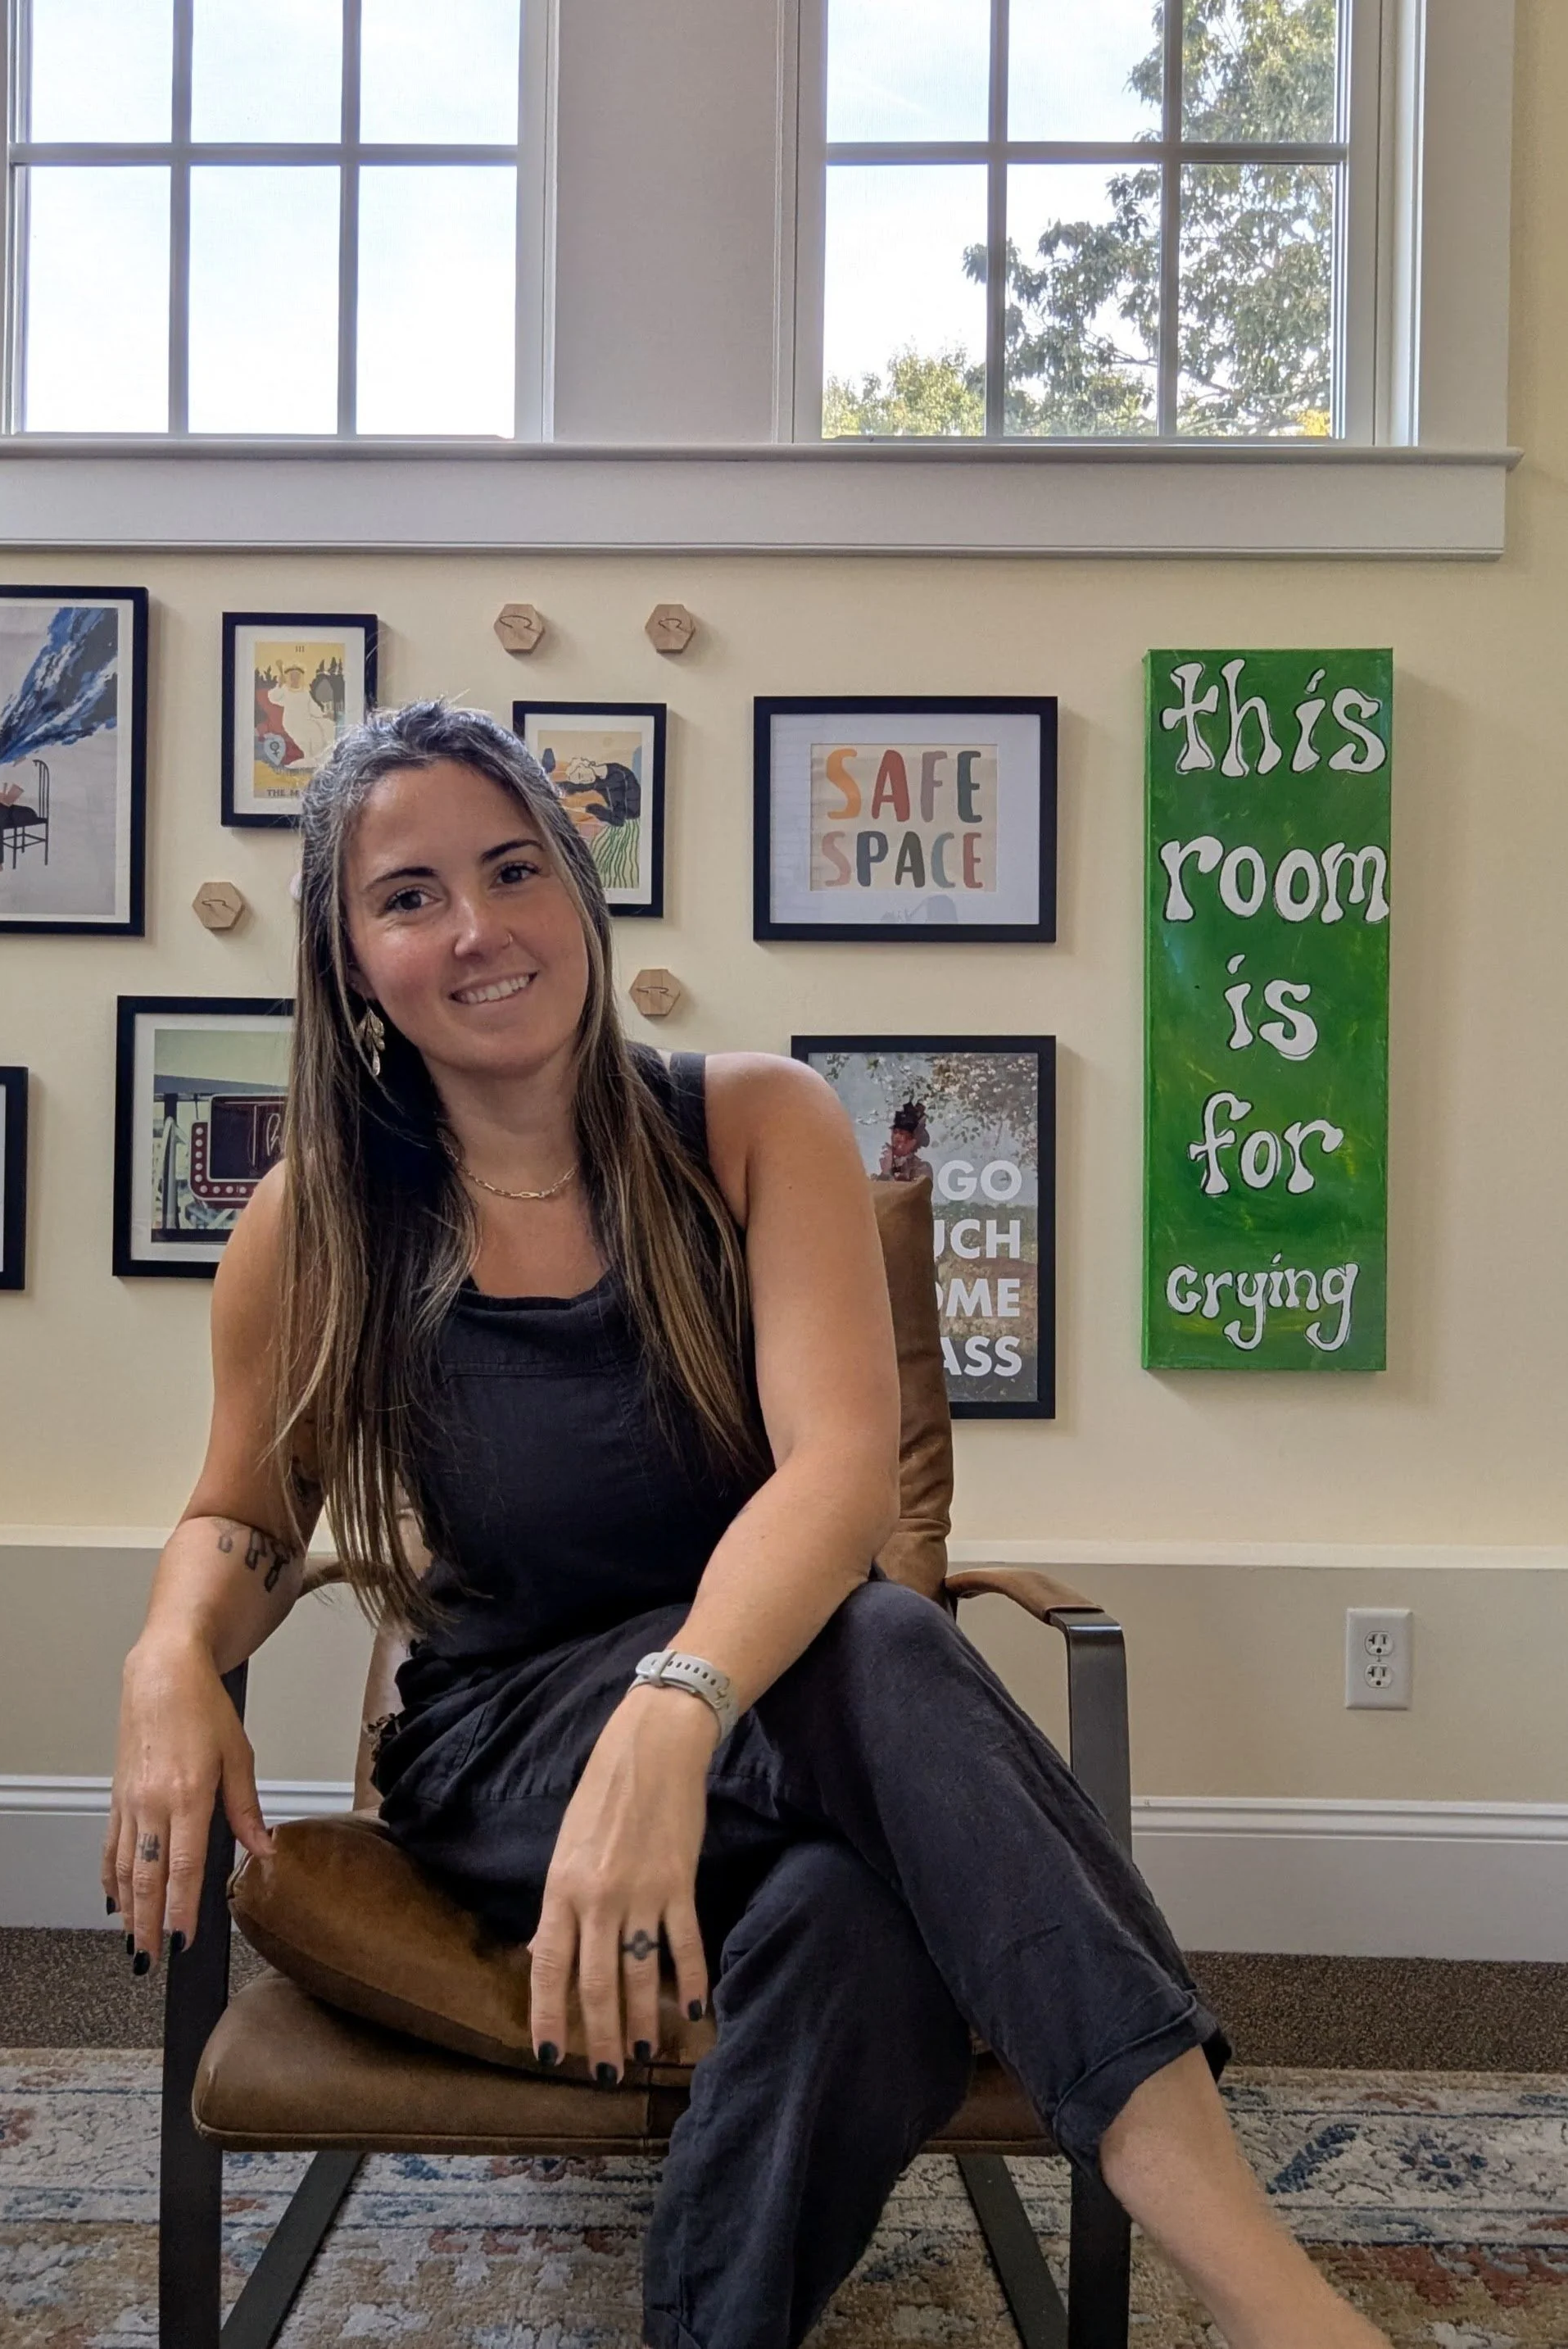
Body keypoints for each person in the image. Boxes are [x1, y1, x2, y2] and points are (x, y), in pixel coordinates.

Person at [106, 701, 1392, 2349]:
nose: (478, 927)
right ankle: (1292, 2312)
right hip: (509, 1760)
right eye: (410, 895)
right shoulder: (323, 1214)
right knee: (879, 1643)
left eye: (515, 869)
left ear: (583, 888)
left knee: (856, 1915)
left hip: (740, 1718)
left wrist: (678, 1709)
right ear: (352, 959)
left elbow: (838, 1473)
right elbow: (250, 1507)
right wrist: (167, 1651)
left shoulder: (756, 1124)